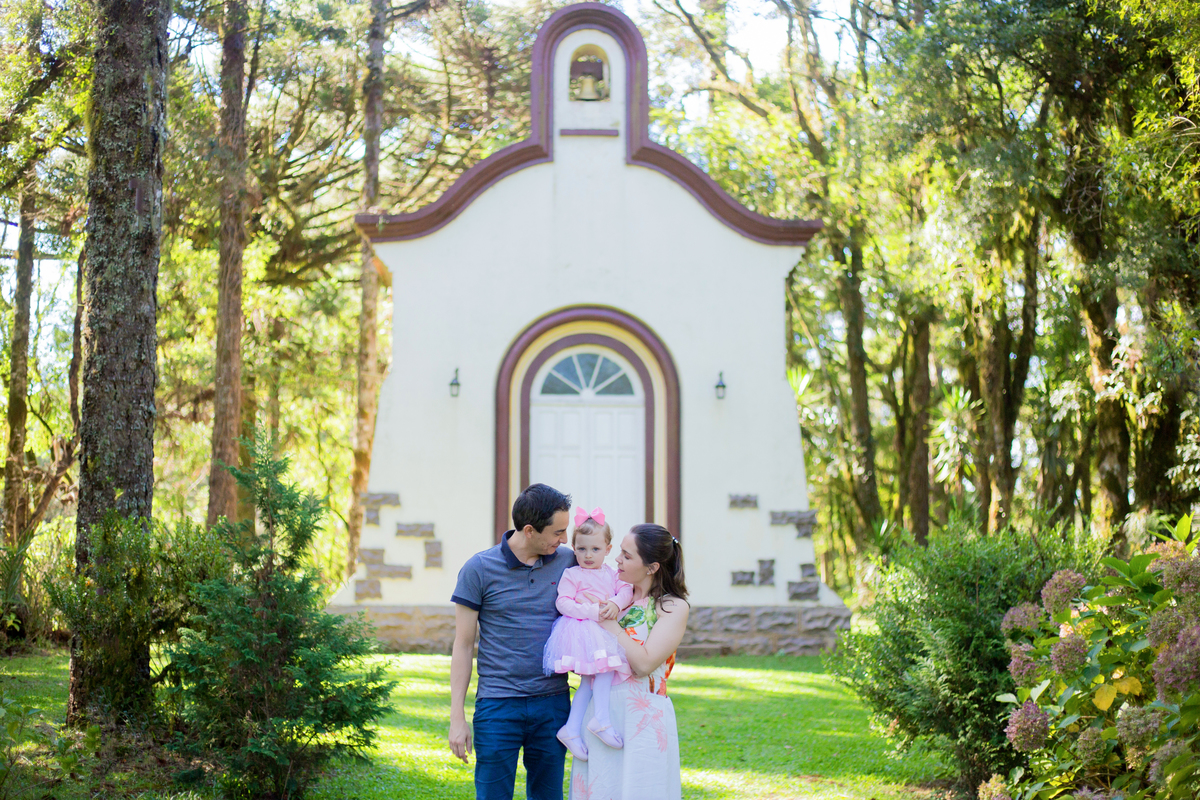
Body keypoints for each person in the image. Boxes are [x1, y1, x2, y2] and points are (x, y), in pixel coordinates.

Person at [448, 483, 575, 800]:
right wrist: (457, 717)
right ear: (530, 530)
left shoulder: (568, 562)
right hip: (498, 705)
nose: (564, 540)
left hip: (553, 703)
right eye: (558, 532)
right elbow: (462, 645)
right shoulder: (479, 569)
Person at [569, 523, 690, 800]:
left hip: (643, 715)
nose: (617, 560)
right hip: (600, 713)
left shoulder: (671, 607)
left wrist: (611, 626)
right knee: (600, 789)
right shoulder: (613, 596)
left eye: (626, 555)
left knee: (641, 790)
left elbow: (645, 664)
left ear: (652, 567)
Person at [542, 507, 634, 761]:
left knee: (590, 680)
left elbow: (626, 591)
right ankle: (601, 719)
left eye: (595, 549)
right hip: (583, 631)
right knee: (603, 670)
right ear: (573, 548)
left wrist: (615, 603)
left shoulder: (612, 574)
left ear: (608, 549)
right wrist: (592, 611)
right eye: (581, 549)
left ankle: (571, 729)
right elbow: (563, 603)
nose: (588, 555)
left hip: (602, 631)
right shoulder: (572, 574)